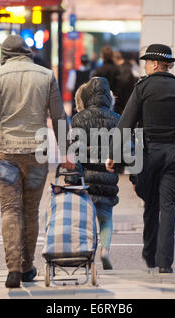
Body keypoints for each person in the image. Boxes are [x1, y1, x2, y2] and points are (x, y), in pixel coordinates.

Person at [0, 35, 74, 288]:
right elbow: (59, 116)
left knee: (10, 210)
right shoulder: (46, 75)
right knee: (30, 212)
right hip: (37, 153)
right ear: (28, 53)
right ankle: (25, 266)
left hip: (7, 154)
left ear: (4, 55)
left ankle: (12, 269)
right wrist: (67, 152)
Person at [106, 44, 175, 273]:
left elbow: (125, 123)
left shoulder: (142, 88)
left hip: (147, 155)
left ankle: (150, 254)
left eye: (146, 62)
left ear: (155, 64)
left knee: (151, 203)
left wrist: (113, 156)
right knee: (168, 206)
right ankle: (165, 263)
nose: (144, 66)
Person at [66, 77, 121, 270]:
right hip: (108, 177)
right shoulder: (117, 119)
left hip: (86, 178)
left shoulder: (78, 119)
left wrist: (70, 178)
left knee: (87, 220)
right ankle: (105, 251)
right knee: (106, 218)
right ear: (108, 96)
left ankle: (88, 254)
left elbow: (75, 152)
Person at [113, 51, 137, 115]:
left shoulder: (121, 69)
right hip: (129, 101)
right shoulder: (129, 67)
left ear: (115, 59)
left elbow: (122, 87)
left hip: (122, 102)